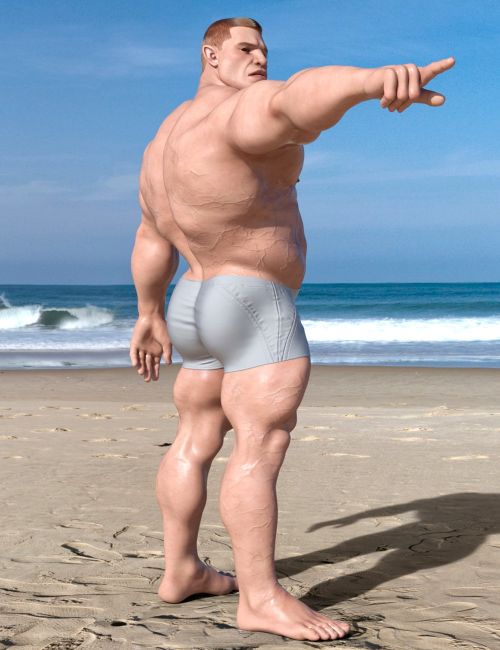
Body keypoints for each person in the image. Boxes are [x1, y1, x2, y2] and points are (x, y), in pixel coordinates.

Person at [130, 16, 455, 642]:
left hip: (191, 301)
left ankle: (181, 570)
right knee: (260, 443)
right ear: (210, 55)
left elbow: (150, 236)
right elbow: (296, 98)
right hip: (252, 301)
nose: (259, 58)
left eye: (263, 49)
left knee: (194, 438)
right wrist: (373, 81)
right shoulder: (241, 111)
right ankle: (260, 598)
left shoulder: (163, 139)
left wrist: (148, 312)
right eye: (245, 48)